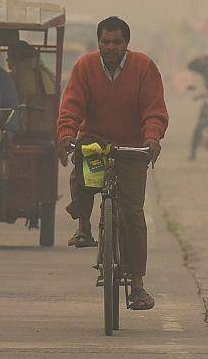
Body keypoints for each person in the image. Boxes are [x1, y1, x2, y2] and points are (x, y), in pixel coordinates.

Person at [57, 16, 168, 311]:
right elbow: (72, 104)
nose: (110, 48)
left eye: (116, 42)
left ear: (126, 44)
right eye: (105, 42)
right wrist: (67, 133)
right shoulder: (85, 66)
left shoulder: (144, 67)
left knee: (132, 215)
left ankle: (137, 285)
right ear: (98, 43)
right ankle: (84, 226)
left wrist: (153, 138)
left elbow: (153, 110)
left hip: (131, 146)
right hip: (94, 141)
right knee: (81, 175)